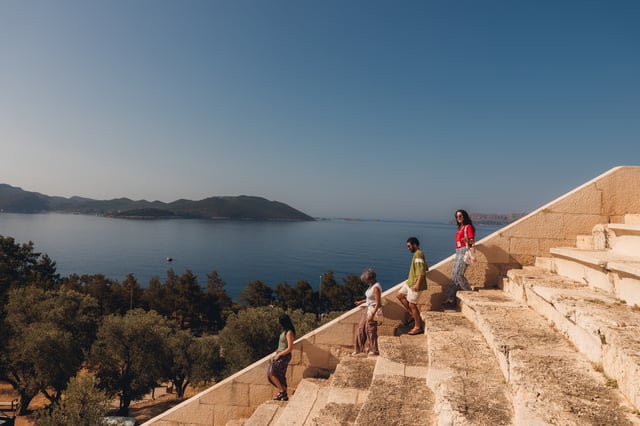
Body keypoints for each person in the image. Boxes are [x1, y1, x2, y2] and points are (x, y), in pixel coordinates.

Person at [443, 210, 475, 306]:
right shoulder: (460, 228)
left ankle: (469, 292)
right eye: (457, 217)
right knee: (454, 275)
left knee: (459, 274)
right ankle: (450, 297)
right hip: (458, 252)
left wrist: (467, 240)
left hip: (464, 252)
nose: (459, 218)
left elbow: (472, 241)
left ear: (464, 216)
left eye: (460, 216)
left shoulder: (467, 227)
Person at [397, 237, 427, 335]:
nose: (408, 248)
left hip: (414, 284)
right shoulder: (418, 254)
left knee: (412, 305)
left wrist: (417, 284)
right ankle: (413, 315)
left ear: (415, 245)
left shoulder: (418, 255)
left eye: (409, 246)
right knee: (400, 295)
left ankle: (418, 327)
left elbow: (422, 272)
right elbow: (426, 267)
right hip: (410, 282)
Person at [352, 268, 382, 356]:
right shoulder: (371, 285)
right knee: (361, 329)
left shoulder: (376, 287)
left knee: (370, 330)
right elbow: (369, 298)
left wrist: (372, 315)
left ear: (371, 278)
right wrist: (361, 302)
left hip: (372, 310)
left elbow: (378, 303)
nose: (366, 282)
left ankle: (374, 349)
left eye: (367, 280)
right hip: (367, 308)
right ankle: (359, 349)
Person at [268, 313, 296, 401]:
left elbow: (290, 348)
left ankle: (282, 391)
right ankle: (283, 394)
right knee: (280, 375)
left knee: (271, 373)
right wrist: (276, 353)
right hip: (280, 354)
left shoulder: (289, 333)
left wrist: (279, 354)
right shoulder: (285, 331)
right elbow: (281, 345)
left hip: (284, 356)